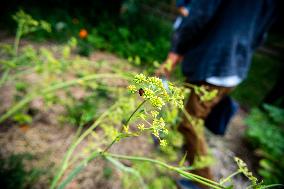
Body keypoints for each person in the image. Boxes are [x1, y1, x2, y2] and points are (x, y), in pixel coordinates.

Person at [156, 0, 278, 188]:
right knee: (192, 110)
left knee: (190, 124)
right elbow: (261, 32)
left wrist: (177, 51)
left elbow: (198, 16)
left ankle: (205, 183)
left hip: (212, 64)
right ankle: (175, 142)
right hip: (235, 64)